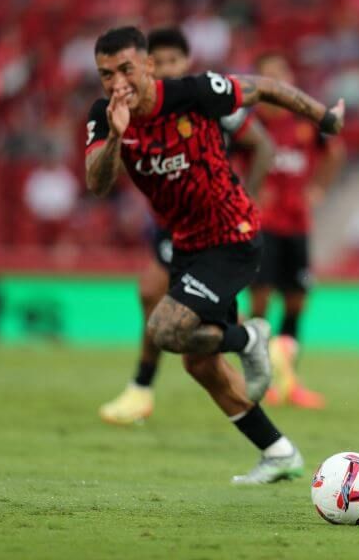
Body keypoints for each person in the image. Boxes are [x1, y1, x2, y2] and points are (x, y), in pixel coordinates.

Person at [85, 26, 344, 483]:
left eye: (126, 69)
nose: (117, 82)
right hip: (189, 245)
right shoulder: (105, 117)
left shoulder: (193, 92)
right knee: (200, 363)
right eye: (107, 74)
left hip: (232, 235)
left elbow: (264, 88)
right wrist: (113, 139)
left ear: (146, 65)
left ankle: (248, 339)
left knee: (165, 328)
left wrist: (324, 118)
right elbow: (97, 182)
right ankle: (278, 451)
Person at [99, 27, 276, 426]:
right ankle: (269, 435)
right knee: (167, 314)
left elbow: (262, 143)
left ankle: (143, 385)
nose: (164, 69)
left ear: (186, 63)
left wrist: (247, 197)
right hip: (172, 226)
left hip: (216, 228)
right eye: (157, 63)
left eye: (171, 62)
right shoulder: (136, 109)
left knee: (162, 308)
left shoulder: (202, 100)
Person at [248, 51, 346, 409]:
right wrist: (249, 192)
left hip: (297, 224)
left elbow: (335, 152)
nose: (277, 83)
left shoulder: (305, 121)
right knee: (259, 304)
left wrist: (318, 187)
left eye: (281, 74)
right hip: (261, 226)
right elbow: (226, 164)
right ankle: (258, 377)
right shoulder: (249, 123)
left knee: (295, 301)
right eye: (269, 76)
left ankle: (287, 380)